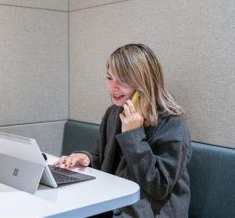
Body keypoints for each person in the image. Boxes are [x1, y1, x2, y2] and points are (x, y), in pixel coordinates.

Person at [54, 44, 191, 217]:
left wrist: (133, 135)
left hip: (151, 210)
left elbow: (159, 187)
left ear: (144, 82)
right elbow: (106, 162)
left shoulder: (172, 123)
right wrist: (87, 159)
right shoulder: (114, 113)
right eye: (109, 78)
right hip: (114, 202)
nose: (113, 87)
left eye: (123, 80)